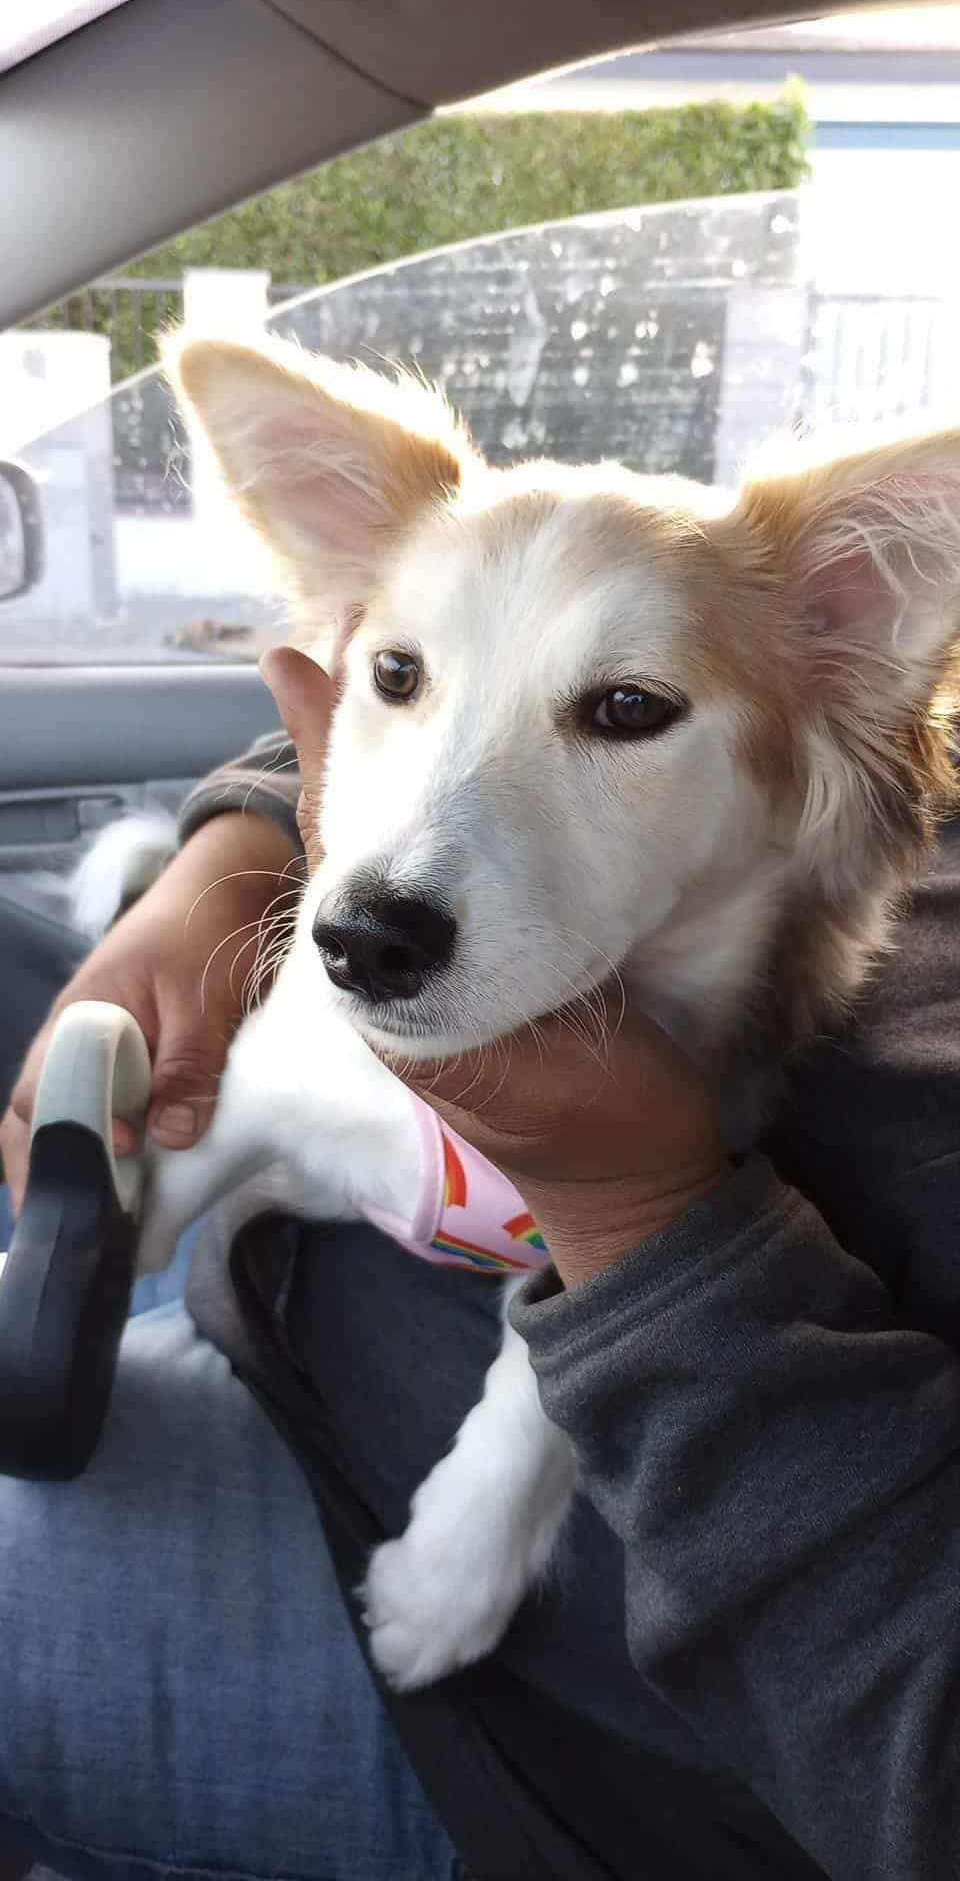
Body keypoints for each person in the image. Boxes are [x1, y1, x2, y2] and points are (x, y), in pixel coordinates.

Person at [2, 645, 960, 1880]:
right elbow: (549, 633)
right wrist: (234, 858)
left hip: (559, 1738)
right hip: (291, 1250)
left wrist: (634, 1211)